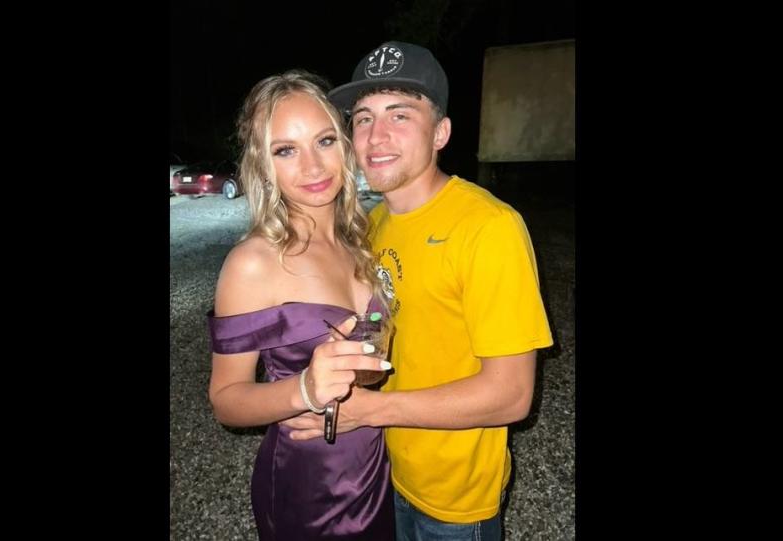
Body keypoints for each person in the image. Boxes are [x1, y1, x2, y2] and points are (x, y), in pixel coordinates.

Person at [282, 42, 554, 540]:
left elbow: (513, 395)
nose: (376, 136)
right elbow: (388, 328)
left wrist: (370, 413)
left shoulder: (488, 228)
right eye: (362, 118)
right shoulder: (375, 223)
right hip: (385, 472)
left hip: (453, 503)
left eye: (400, 115)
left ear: (441, 133)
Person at [206, 70, 396, 540]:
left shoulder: (364, 239)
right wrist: (305, 391)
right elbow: (226, 401)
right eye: (285, 150)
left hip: (380, 469)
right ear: (262, 164)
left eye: (325, 140)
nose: (312, 167)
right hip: (312, 489)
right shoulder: (252, 263)